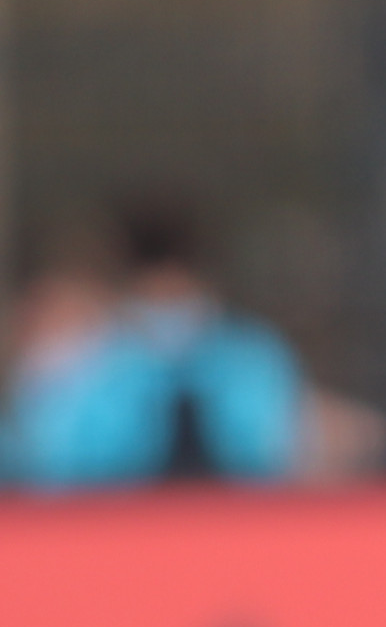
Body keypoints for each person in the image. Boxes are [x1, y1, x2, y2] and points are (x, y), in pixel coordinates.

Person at [7, 197, 305, 488]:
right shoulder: (86, 355)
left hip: (232, 513)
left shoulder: (251, 357)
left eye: (177, 295)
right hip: (118, 513)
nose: (168, 307)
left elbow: (284, 457)